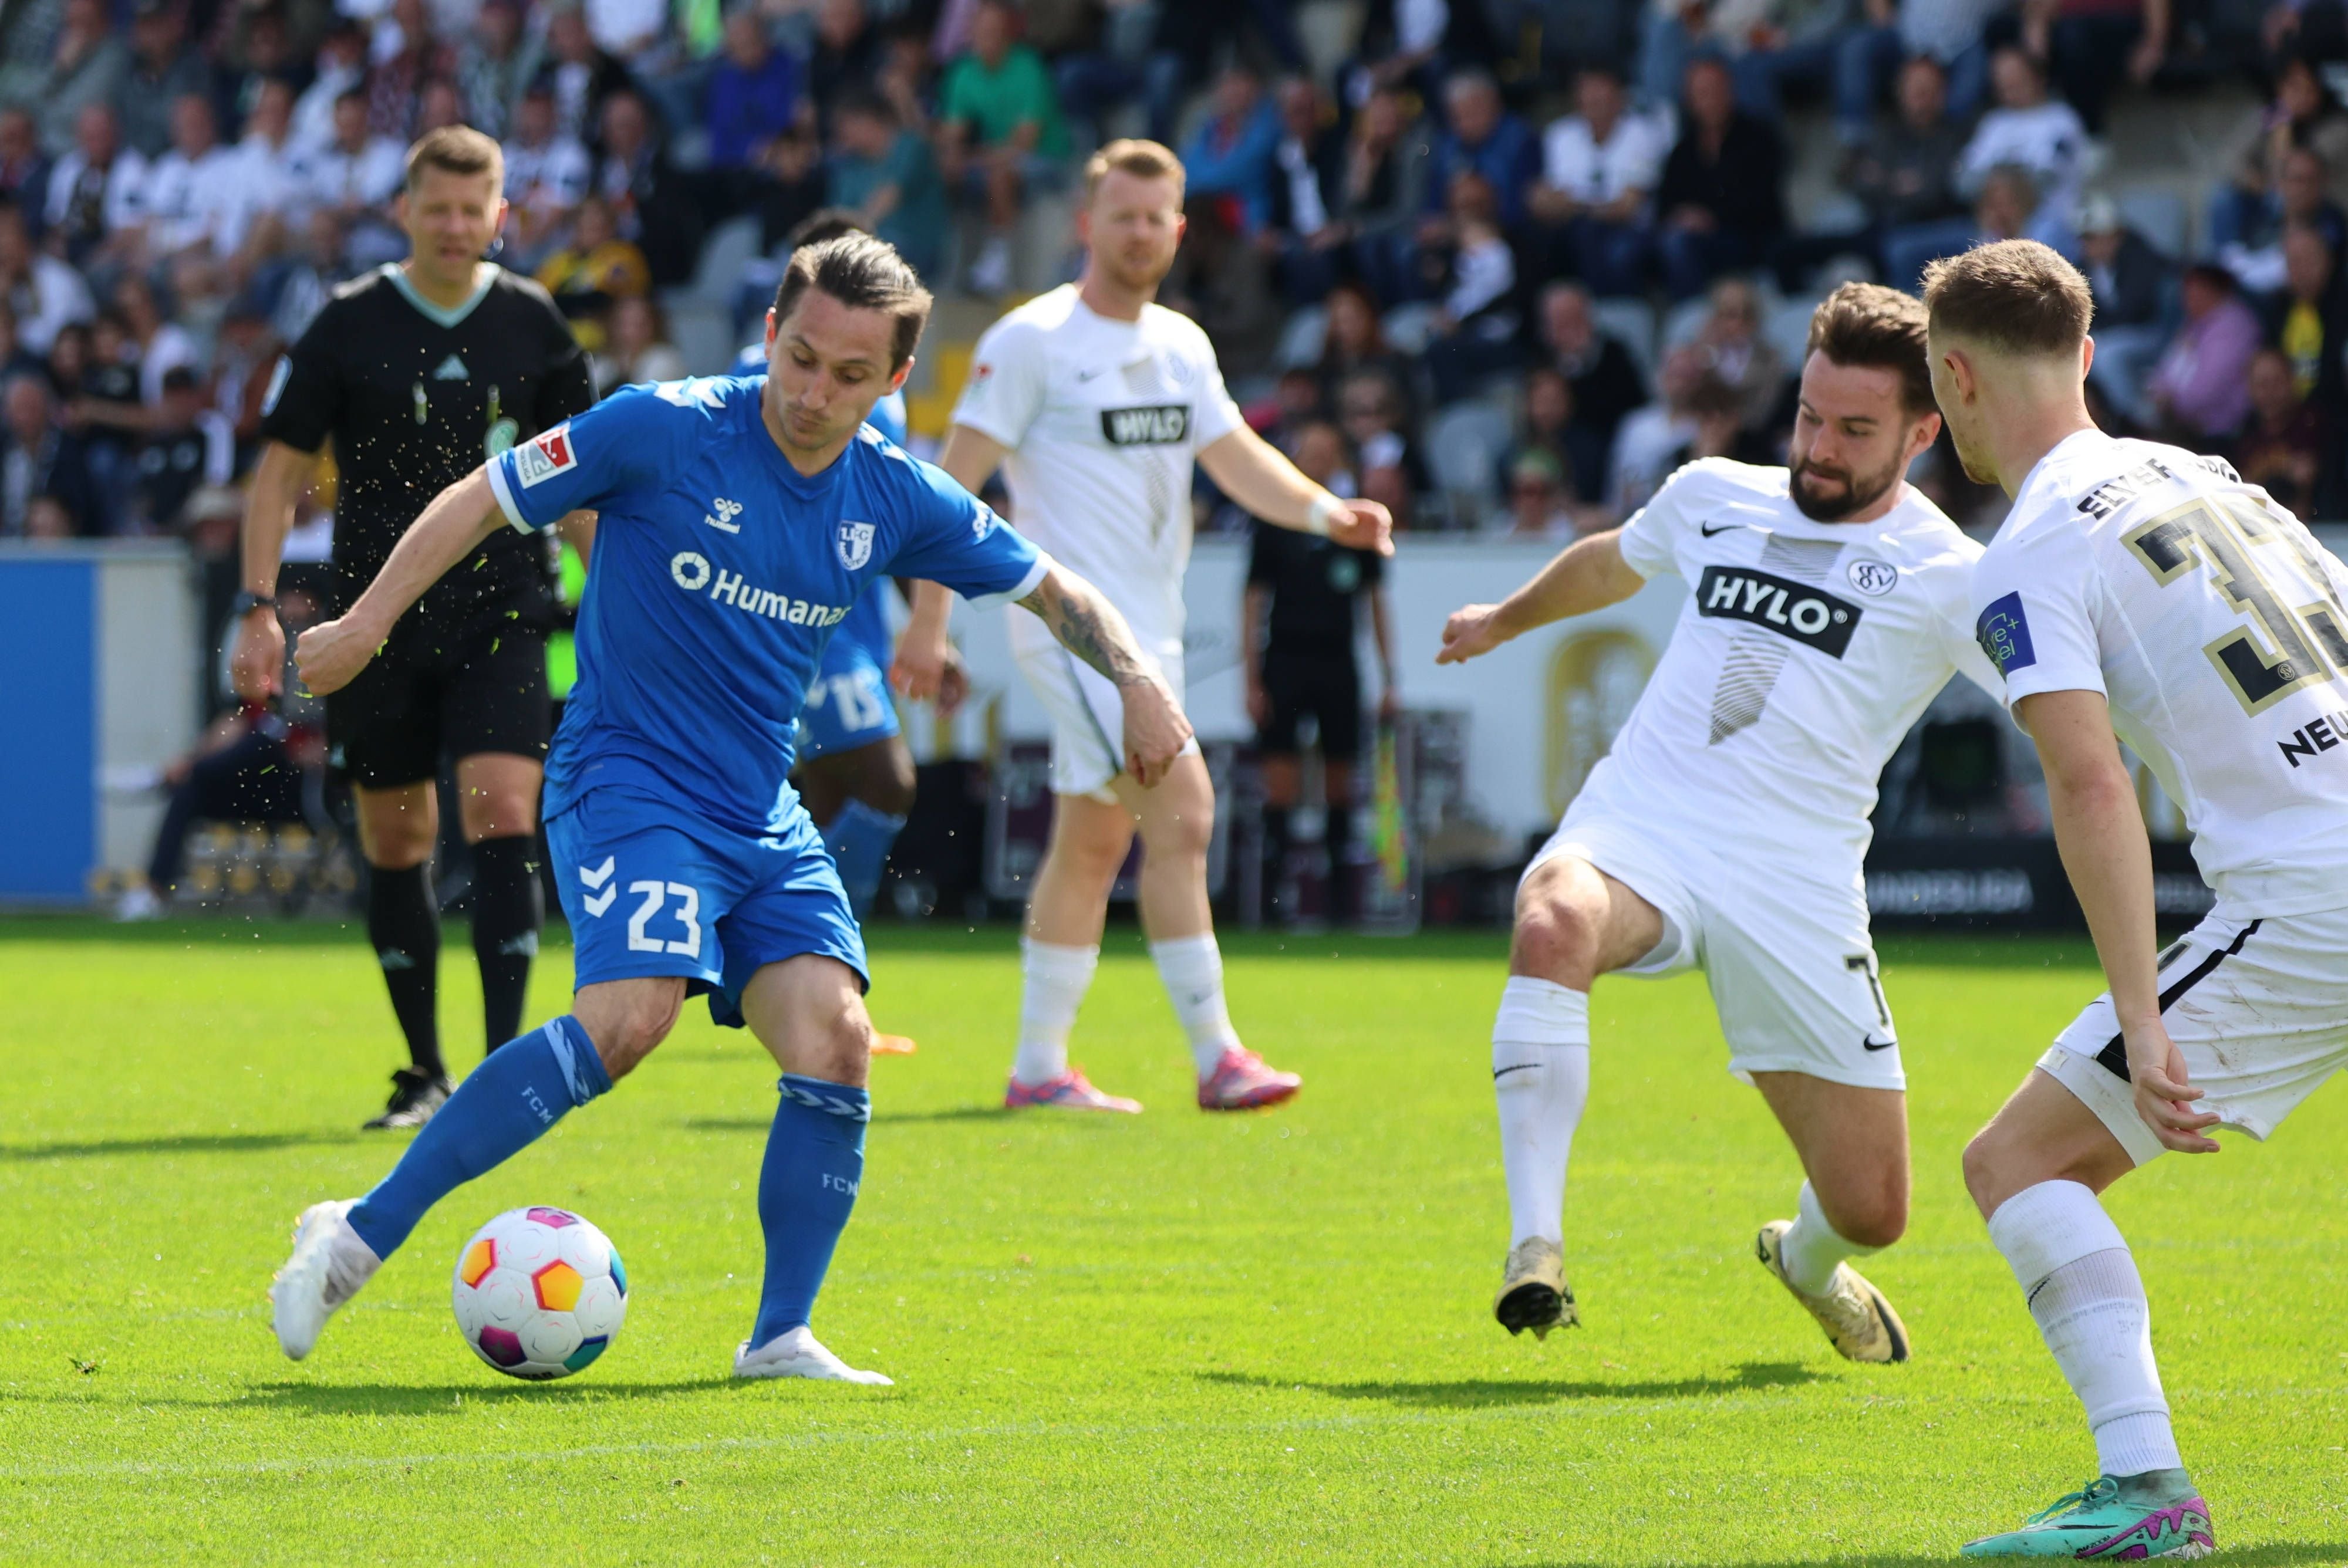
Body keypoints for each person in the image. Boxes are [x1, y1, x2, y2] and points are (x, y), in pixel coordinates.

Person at [267, 231, 1196, 1387]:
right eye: (799, 358)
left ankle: (779, 1335)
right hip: (627, 781)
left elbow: (1048, 585)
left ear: (894, 382)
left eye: (849, 376)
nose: (813, 394)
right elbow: (483, 497)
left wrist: (1140, 681)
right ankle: (354, 1237)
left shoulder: (892, 492)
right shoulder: (659, 428)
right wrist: (364, 621)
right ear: (769, 332)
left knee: (836, 1041)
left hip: (758, 811)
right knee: (629, 1019)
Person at [1434, 283, 2001, 1361]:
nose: (1819, 449)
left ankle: (1805, 1260)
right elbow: (1613, 557)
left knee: (1875, 1207)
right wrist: (1505, 619)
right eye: (1808, 416)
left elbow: (2064, 696)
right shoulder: (1716, 494)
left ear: (1926, 432)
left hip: (1795, 881)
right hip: (1645, 824)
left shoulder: (1954, 579)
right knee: (1551, 916)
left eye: (1855, 430)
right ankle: (1535, 1248)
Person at [1924, 236, 2348, 1559]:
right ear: (2087, 356)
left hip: (2312, 891)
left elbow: (2088, 785)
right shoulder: (2221, 481)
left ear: (1951, 381)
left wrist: (2137, 1015)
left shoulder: (2025, 550)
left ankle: (2144, 1487)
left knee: (2015, 1163)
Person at [895, 139, 1394, 1113]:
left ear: (1179, 229)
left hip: (1149, 632)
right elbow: (948, 488)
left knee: (1092, 840)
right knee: (1186, 809)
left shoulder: (1181, 344)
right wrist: (928, 623)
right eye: (1121, 215)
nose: (1139, 233)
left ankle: (1040, 1067)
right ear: (1086, 225)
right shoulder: (1032, 340)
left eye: (1156, 216)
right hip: (1068, 625)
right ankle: (1218, 1056)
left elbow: (1236, 455)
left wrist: (1327, 512)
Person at [230, 126, 597, 1131]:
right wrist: (256, 605)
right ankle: (423, 1071)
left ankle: (504, 1073)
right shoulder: (347, 323)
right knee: (399, 839)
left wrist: (617, 596)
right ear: (403, 211)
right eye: (434, 207)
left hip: (505, 607)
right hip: (372, 619)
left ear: (500, 218)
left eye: (471, 210)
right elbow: (278, 473)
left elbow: (583, 483)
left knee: (504, 810)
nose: (452, 225)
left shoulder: (535, 324)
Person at [1243, 417, 1397, 925]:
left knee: (1340, 782)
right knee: (1280, 782)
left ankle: (1338, 909)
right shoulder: (1273, 520)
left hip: (1338, 662)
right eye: (1310, 451)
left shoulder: (1354, 525)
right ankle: (1271, 908)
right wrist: (1251, 678)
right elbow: (1252, 601)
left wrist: (1389, 677)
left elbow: (1376, 603)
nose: (1320, 460)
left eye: (1328, 451)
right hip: (1284, 659)